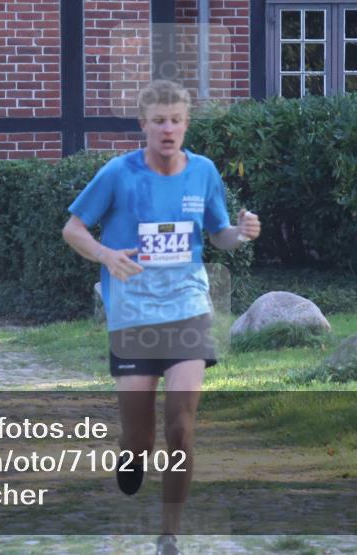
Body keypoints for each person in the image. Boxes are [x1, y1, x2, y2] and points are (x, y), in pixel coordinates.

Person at [62, 80, 261, 555]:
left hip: (188, 309)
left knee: (181, 426)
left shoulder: (204, 172)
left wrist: (242, 233)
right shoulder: (118, 173)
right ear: (144, 126)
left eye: (176, 120)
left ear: (186, 124)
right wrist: (107, 256)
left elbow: (218, 236)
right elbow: (73, 228)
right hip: (132, 315)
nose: (168, 129)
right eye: (159, 121)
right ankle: (131, 456)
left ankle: (169, 532)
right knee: (139, 435)